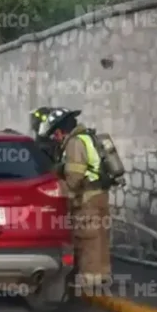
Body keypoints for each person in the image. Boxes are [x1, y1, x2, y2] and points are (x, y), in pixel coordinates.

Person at [41, 108, 111, 289]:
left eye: (54, 135)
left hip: (87, 199)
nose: (55, 139)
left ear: (59, 131)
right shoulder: (87, 137)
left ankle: (90, 282)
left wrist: (64, 198)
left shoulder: (74, 143)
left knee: (87, 240)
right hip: (99, 195)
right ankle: (101, 277)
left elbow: (75, 176)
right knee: (99, 238)